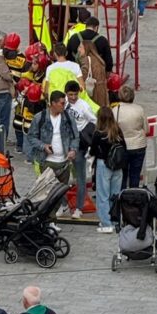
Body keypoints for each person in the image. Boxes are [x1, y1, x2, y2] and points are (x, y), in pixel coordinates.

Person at [25, 90, 80, 186]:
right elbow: (31, 137)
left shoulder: (68, 117)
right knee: (46, 194)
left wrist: (73, 150)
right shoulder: (39, 118)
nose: (64, 106)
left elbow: (75, 137)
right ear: (53, 103)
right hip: (46, 163)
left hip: (64, 164)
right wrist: (43, 146)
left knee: (62, 194)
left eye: (65, 103)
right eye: (62, 103)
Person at [87, 106, 126, 233]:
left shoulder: (98, 133)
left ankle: (106, 223)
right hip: (118, 166)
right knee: (115, 195)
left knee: (102, 195)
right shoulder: (117, 131)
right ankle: (115, 221)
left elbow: (93, 150)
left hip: (104, 165)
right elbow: (124, 146)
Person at [64, 81, 97, 215]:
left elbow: (93, 121)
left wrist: (85, 135)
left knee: (80, 177)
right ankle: (63, 204)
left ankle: (79, 207)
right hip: (64, 143)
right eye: (70, 94)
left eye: (75, 94)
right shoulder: (63, 102)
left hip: (79, 145)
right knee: (62, 177)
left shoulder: (83, 106)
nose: (73, 97)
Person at [113, 85, 148, 188]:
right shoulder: (139, 109)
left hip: (122, 147)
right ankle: (134, 196)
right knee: (135, 174)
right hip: (139, 145)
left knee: (122, 175)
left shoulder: (115, 111)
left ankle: (122, 197)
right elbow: (146, 129)